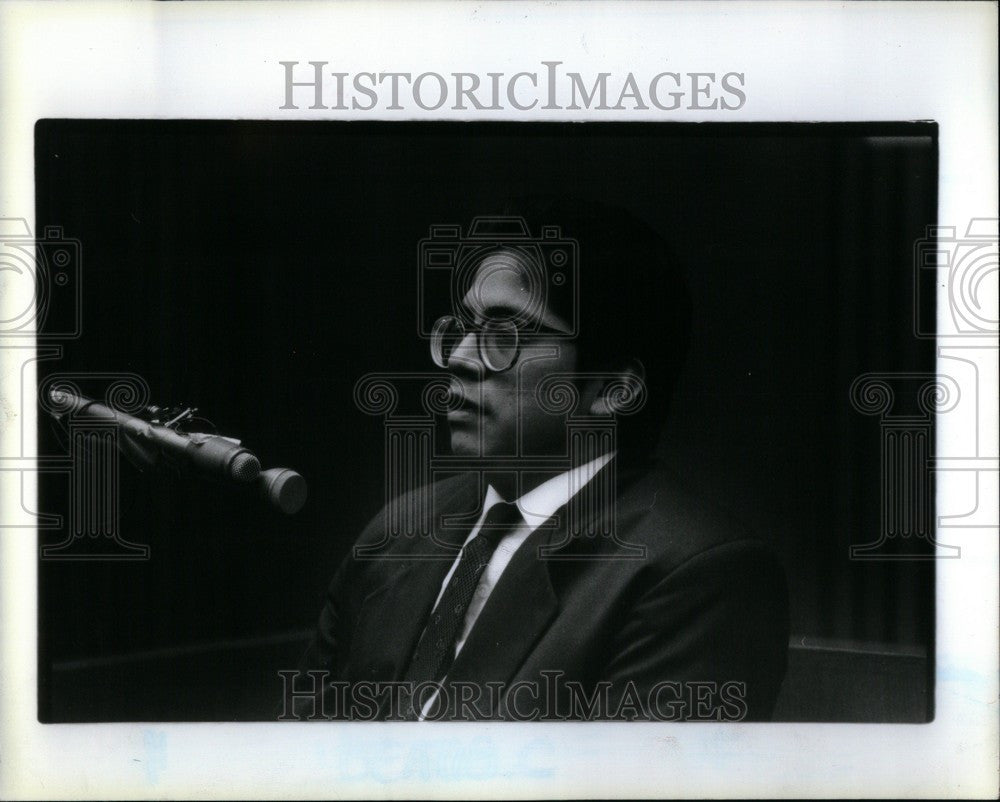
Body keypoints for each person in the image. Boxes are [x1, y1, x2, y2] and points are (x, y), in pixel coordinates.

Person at [288, 198, 789, 721]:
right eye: (460, 329)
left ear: (614, 389)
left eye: (506, 334)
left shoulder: (697, 573)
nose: (459, 356)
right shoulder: (396, 530)